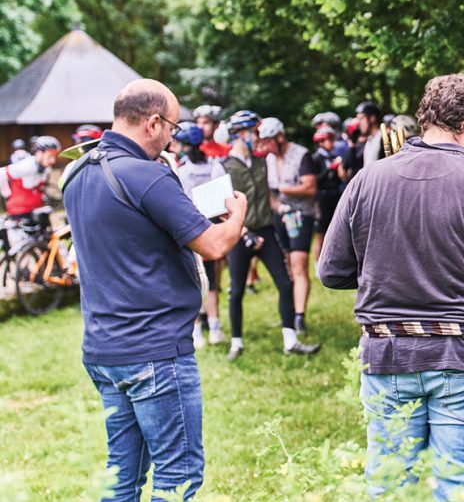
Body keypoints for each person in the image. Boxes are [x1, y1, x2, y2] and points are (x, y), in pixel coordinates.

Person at [318, 74, 464, 500]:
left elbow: (331, 270)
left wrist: (384, 274)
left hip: (388, 355)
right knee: (460, 487)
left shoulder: (367, 182)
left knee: (389, 488)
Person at [63, 79, 248, 500]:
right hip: (154, 351)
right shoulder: (145, 176)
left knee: (121, 474)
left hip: (103, 350)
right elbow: (215, 244)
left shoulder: (75, 173)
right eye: (172, 127)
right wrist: (236, 214)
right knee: (177, 475)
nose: (172, 137)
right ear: (152, 123)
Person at [222, 110, 320, 360]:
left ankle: (290, 340)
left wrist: (283, 209)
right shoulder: (223, 166)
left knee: (286, 283)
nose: (258, 137)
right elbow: (219, 210)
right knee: (236, 290)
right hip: (238, 233)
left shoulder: (260, 162)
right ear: (241, 134)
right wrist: (243, 231)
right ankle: (236, 342)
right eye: (255, 133)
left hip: (265, 229)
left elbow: (268, 198)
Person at [257, 117, 318, 335]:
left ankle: (300, 316)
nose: (265, 146)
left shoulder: (301, 155)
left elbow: (309, 187)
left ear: (279, 137)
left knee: (299, 264)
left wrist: (283, 189)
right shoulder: (269, 160)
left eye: (268, 141)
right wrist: (277, 207)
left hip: (302, 215)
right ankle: (289, 313)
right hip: (280, 216)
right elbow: (268, 193)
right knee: (286, 264)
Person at [172, 122, 229, 348]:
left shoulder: (180, 170)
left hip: (187, 232)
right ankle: (214, 327)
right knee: (212, 283)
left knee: (192, 282)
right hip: (211, 229)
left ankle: (196, 331)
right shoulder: (215, 167)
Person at [310, 125, 347, 264]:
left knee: (336, 231)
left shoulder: (334, 156)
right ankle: (317, 263)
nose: (332, 143)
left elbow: (339, 180)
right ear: (320, 142)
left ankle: (334, 261)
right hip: (322, 198)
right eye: (328, 140)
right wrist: (329, 168)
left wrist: (340, 172)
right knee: (320, 233)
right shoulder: (316, 158)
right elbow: (316, 180)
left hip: (334, 196)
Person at [1, 135, 61, 218]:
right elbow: (2, 173)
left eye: (55, 157)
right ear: (39, 153)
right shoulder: (27, 165)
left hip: (37, 209)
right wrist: (7, 194)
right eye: (49, 156)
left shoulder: (47, 169)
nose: (53, 161)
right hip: (20, 211)